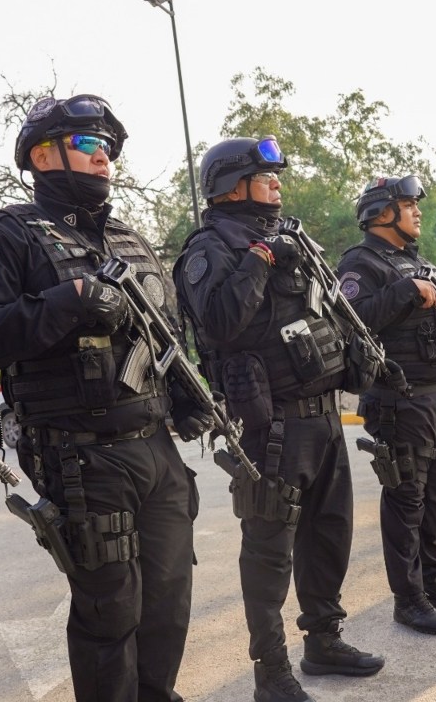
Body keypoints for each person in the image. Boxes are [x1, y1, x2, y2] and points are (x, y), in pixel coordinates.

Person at [0, 94, 203, 702]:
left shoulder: (128, 237)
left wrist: (186, 390)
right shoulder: (7, 234)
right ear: (43, 154)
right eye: (91, 145)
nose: (106, 159)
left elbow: (161, 332)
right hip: (81, 454)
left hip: (155, 445)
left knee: (168, 596)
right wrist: (69, 301)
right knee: (110, 609)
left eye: (110, 148)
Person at [174, 137, 384, 702]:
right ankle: (271, 671)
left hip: (323, 418)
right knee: (269, 551)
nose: (278, 183)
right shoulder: (209, 247)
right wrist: (260, 260)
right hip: (270, 427)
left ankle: (325, 641)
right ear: (230, 184)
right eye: (265, 174)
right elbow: (219, 323)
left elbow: (330, 308)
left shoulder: (291, 237)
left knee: (329, 535)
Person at [337, 176, 436, 636]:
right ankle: (409, 598)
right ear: (382, 213)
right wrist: (405, 292)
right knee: (407, 499)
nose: (417, 211)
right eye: (408, 204)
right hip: (402, 399)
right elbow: (352, 321)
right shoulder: (359, 264)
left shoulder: (418, 262)